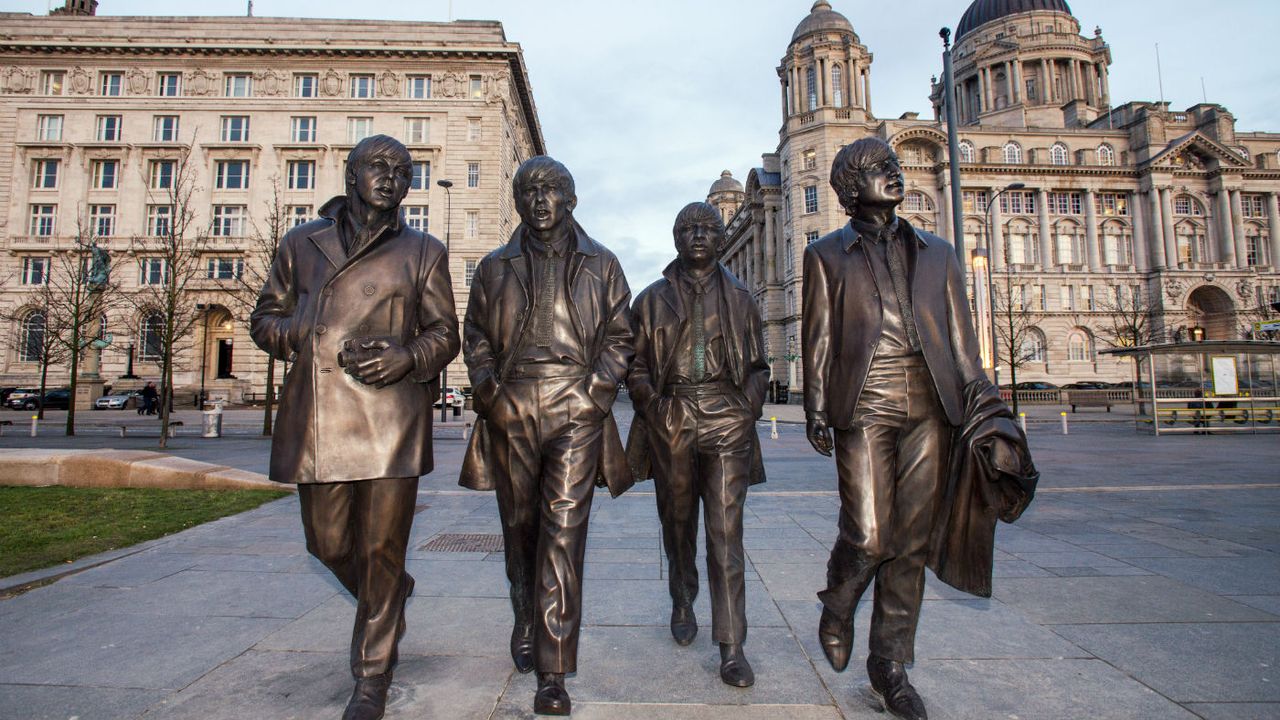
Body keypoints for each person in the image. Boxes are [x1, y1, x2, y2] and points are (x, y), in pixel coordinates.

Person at [802, 138, 1035, 720]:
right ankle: (838, 601)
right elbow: (818, 338)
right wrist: (814, 407)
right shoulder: (827, 254)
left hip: (932, 404)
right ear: (851, 187)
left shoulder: (940, 254)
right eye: (882, 169)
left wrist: (986, 405)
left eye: (896, 166)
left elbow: (961, 341)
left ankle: (890, 665)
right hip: (864, 401)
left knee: (910, 541)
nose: (896, 174)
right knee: (868, 534)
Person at [250, 134, 460, 720]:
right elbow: (264, 318)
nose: (389, 177)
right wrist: (303, 327)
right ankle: (388, 595)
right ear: (351, 174)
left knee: (380, 548)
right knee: (328, 543)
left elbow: (446, 333)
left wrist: (408, 357)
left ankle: (371, 676)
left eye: (402, 169)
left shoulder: (423, 250)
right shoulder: (301, 243)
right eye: (377, 165)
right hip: (320, 417)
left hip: (391, 416)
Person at [459, 156, 633, 716]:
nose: (540, 199)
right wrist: (490, 394)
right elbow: (477, 339)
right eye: (529, 190)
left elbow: (620, 338)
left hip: (574, 403)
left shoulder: (602, 264)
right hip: (512, 402)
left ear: (571, 198)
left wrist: (595, 393)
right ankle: (525, 613)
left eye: (552, 189)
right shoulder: (493, 267)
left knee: (563, 529)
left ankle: (554, 671)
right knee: (520, 527)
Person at [625, 202, 769, 688]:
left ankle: (731, 645)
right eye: (689, 229)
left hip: (728, 413)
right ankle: (683, 594)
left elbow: (759, 366)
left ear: (721, 238)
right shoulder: (650, 300)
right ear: (676, 239)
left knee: (726, 531)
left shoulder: (743, 298)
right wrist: (653, 406)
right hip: (674, 413)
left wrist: (747, 407)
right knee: (678, 519)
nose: (699, 236)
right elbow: (635, 365)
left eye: (708, 228)